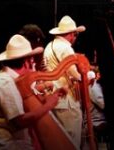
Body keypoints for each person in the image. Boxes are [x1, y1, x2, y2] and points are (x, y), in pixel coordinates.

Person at [0, 34, 64, 149]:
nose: (33, 63)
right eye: (31, 59)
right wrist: (49, 105)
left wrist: (51, 96)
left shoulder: (14, 79)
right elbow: (20, 121)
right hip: (8, 145)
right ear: (27, 62)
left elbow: (32, 96)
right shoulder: (5, 82)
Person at [43, 15, 86, 148]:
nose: (75, 38)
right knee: (71, 140)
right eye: (75, 35)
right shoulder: (65, 48)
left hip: (52, 98)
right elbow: (76, 75)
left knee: (58, 140)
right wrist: (88, 75)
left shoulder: (49, 46)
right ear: (72, 34)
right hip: (67, 100)